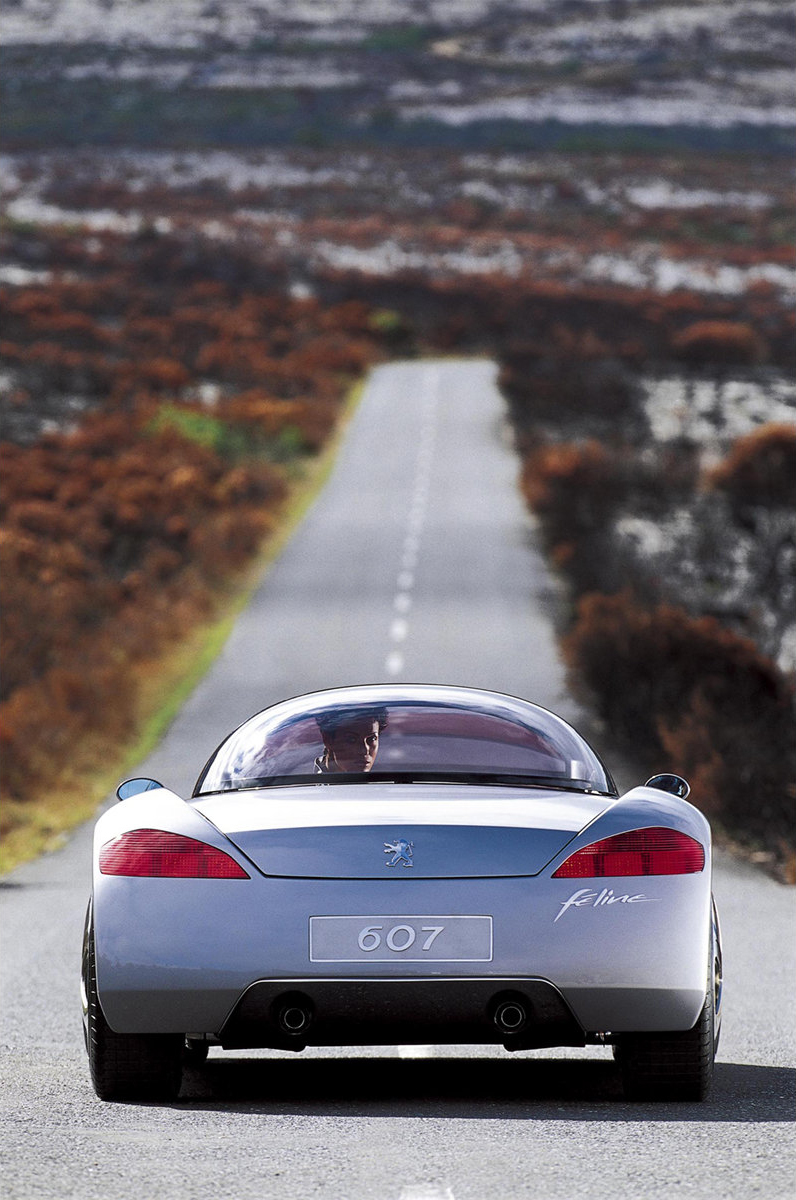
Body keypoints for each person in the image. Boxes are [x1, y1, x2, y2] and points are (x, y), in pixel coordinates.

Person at [314, 707, 388, 774]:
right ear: (328, 740)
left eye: (372, 739)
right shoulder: (312, 787)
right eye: (352, 739)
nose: (364, 750)